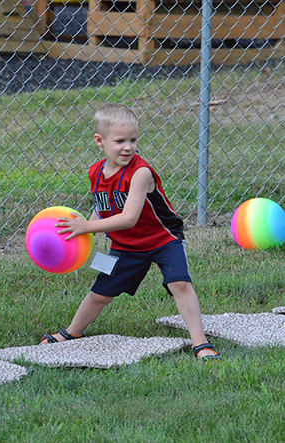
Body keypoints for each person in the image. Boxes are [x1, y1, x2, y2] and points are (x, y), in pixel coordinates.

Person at [41, 103, 220, 363]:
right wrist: (84, 234)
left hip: (163, 239)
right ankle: (72, 333)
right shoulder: (96, 172)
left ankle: (201, 343)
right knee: (100, 293)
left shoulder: (140, 172)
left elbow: (128, 217)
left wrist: (86, 226)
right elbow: (102, 209)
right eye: (120, 141)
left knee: (179, 283)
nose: (128, 147)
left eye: (133, 140)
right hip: (125, 245)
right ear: (99, 141)